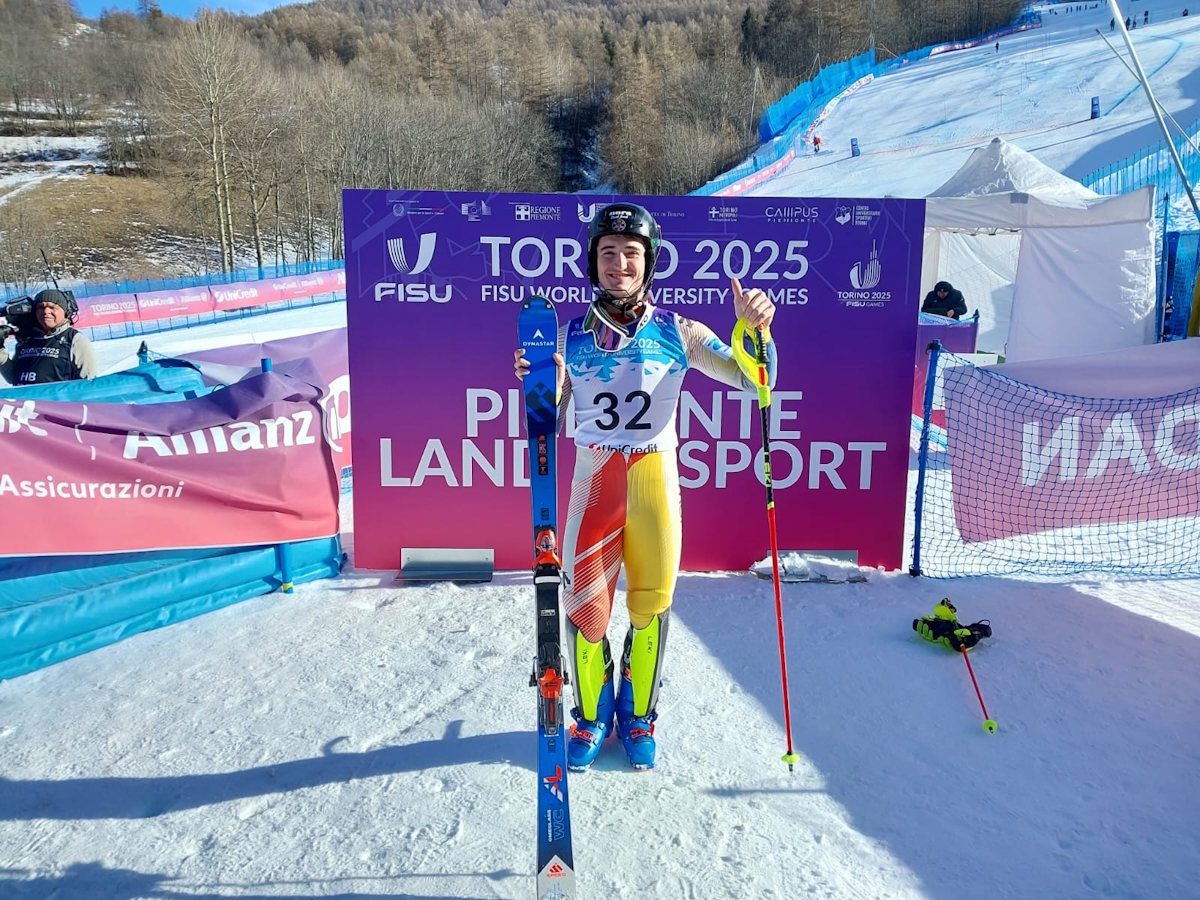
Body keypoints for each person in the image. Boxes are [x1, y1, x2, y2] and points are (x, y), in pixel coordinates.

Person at [513, 202, 776, 771]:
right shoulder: (567, 338)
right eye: (608, 253)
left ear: (649, 263)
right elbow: (543, 424)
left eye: (631, 254)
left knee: (650, 608)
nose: (619, 264)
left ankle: (638, 715)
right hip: (594, 487)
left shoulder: (679, 331)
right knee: (586, 613)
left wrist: (756, 329)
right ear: (593, 263)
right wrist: (537, 383)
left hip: (655, 486)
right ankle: (590, 715)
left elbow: (756, 377)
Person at [0, 288, 98, 385]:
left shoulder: (75, 340)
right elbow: (13, 377)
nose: (46, 311)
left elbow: (89, 383)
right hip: (23, 400)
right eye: (40, 307)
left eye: (52, 307)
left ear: (65, 312)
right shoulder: (27, 339)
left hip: (55, 400)